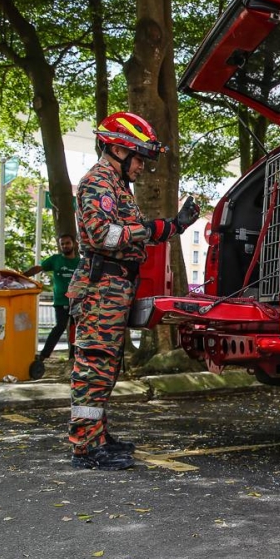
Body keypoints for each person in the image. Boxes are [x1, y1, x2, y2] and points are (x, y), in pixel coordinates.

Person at [66, 111, 199, 471]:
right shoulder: (98, 183)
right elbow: (102, 235)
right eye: (139, 158)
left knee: (106, 365)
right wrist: (154, 227)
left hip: (114, 287)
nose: (142, 167)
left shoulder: (117, 188)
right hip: (101, 287)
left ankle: (97, 436)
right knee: (94, 364)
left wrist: (176, 226)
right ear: (119, 150)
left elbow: (138, 231)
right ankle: (85, 446)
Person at [24, 234, 79, 362]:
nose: (65, 246)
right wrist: (23, 276)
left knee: (76, 330)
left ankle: (74, 357)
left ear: (74, 244)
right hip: (61, 302)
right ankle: (43, 355)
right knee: (59, 327)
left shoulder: (80, 262)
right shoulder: (55, 259)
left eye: (67, 243)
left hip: (78, 302)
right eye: (62, 244)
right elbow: (39, 268)